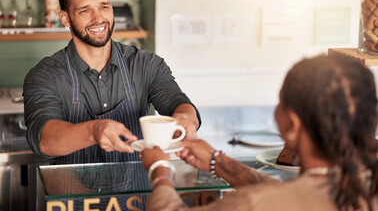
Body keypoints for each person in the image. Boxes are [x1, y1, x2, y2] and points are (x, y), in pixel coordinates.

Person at [141, 54, 378, 211]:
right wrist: (219, 163)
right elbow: (294, 195)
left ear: (292, 125)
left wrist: (160, 172)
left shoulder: (253, 204)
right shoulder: (361, 185)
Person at [23, 0, 200, 165]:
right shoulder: (44, 75)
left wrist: (186, 118)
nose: (98, 18)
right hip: (74, 193)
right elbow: (44, 140)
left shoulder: (146, 64)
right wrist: (93, 131)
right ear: (65, 19)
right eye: (84, 10)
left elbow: (176, 101)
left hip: (137, 193)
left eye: (104, 7)